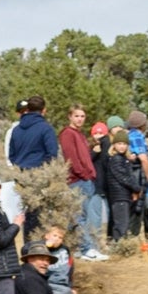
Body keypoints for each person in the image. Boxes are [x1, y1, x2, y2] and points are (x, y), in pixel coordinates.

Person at [59, 105, 106, 258]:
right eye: (77, 116)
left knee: (81, 216)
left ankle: (79, 249)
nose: (79, 119)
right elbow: (71, 158)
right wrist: (84, 174)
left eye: (82, 116)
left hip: (85, 179)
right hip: (77, 180)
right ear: (70, 117)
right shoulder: (68, 134)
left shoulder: (79, 134)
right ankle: (86, 249)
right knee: (79, 216)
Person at [99, 133, 145, 240]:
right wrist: (137, 188)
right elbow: (124, 178)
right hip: (119, 196)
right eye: (119, 143)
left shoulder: (123, 159)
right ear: (114, 145)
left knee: (123, 223)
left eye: (124, 144)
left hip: (124, 195)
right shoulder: (116, 159)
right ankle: (118, 246)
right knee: (121, 225)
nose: (122, 146)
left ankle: (119, 245)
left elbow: (129, 176)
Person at [7, 96, 59, 169]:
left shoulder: (16, 130)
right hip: (39, 175)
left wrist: (19, 167)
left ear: (28, 109)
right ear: (44, 110)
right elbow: (52, 153)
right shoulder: (46, 129)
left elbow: (11, 155)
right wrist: (43, 168)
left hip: (20, 174)